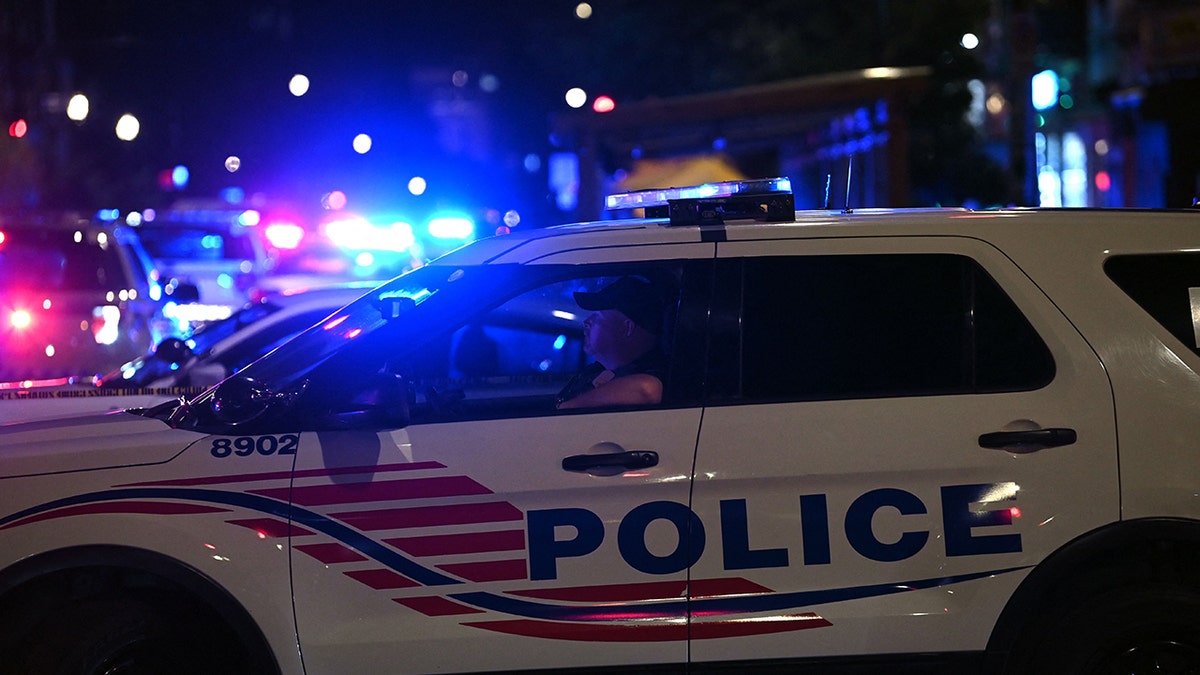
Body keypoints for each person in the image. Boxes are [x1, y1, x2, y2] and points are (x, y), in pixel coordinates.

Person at [556, 276, 668, 410]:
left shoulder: (652, 372)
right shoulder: (599, 370)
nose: (586, 322)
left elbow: (647, 389)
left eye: (598, 315)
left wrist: (567, 408)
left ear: (627, 328)